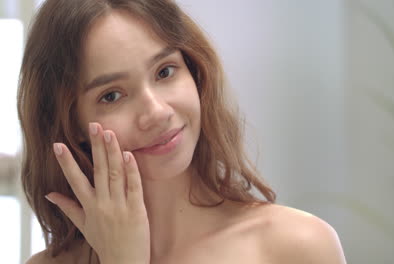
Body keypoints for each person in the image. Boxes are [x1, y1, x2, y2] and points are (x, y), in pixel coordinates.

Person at [18, 0, 347, 263]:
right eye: (112, 96)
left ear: (195, 71)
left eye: (165, 71)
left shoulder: (297, 247)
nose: (157, 112)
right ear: (71, 124)